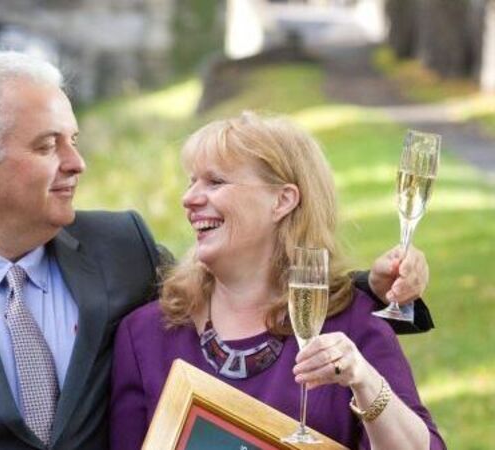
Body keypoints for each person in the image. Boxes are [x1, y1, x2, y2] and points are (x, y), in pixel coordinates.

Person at [0, 52, 432, 450]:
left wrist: (371, 289)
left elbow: (242, 284)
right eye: (48, 146)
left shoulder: (120, 247)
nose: (76, 163)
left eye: (74, 140)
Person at [109, 112, 445, 449]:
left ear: (282, 201)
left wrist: (365, 380)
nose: (189, 199)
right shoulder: (145, 335)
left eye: (215, 182)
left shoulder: (352, 322)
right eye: (191, 182)